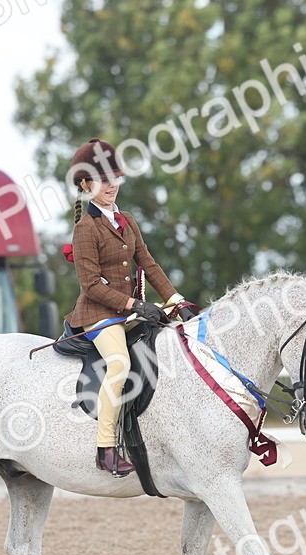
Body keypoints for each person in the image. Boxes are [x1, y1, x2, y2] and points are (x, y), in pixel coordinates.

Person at [63, 137, 197, 477]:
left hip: (128, 311)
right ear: (85, 184)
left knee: (174, 345)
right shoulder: (85, 229)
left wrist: (175, 301)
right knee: (119, 364)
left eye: (115, 177)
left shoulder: (128, 220)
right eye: (103, 179)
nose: (112, 185)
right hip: (98, 316)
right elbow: (91, 286)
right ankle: (105, 448)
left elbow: (148, 265)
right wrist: (135, 304)